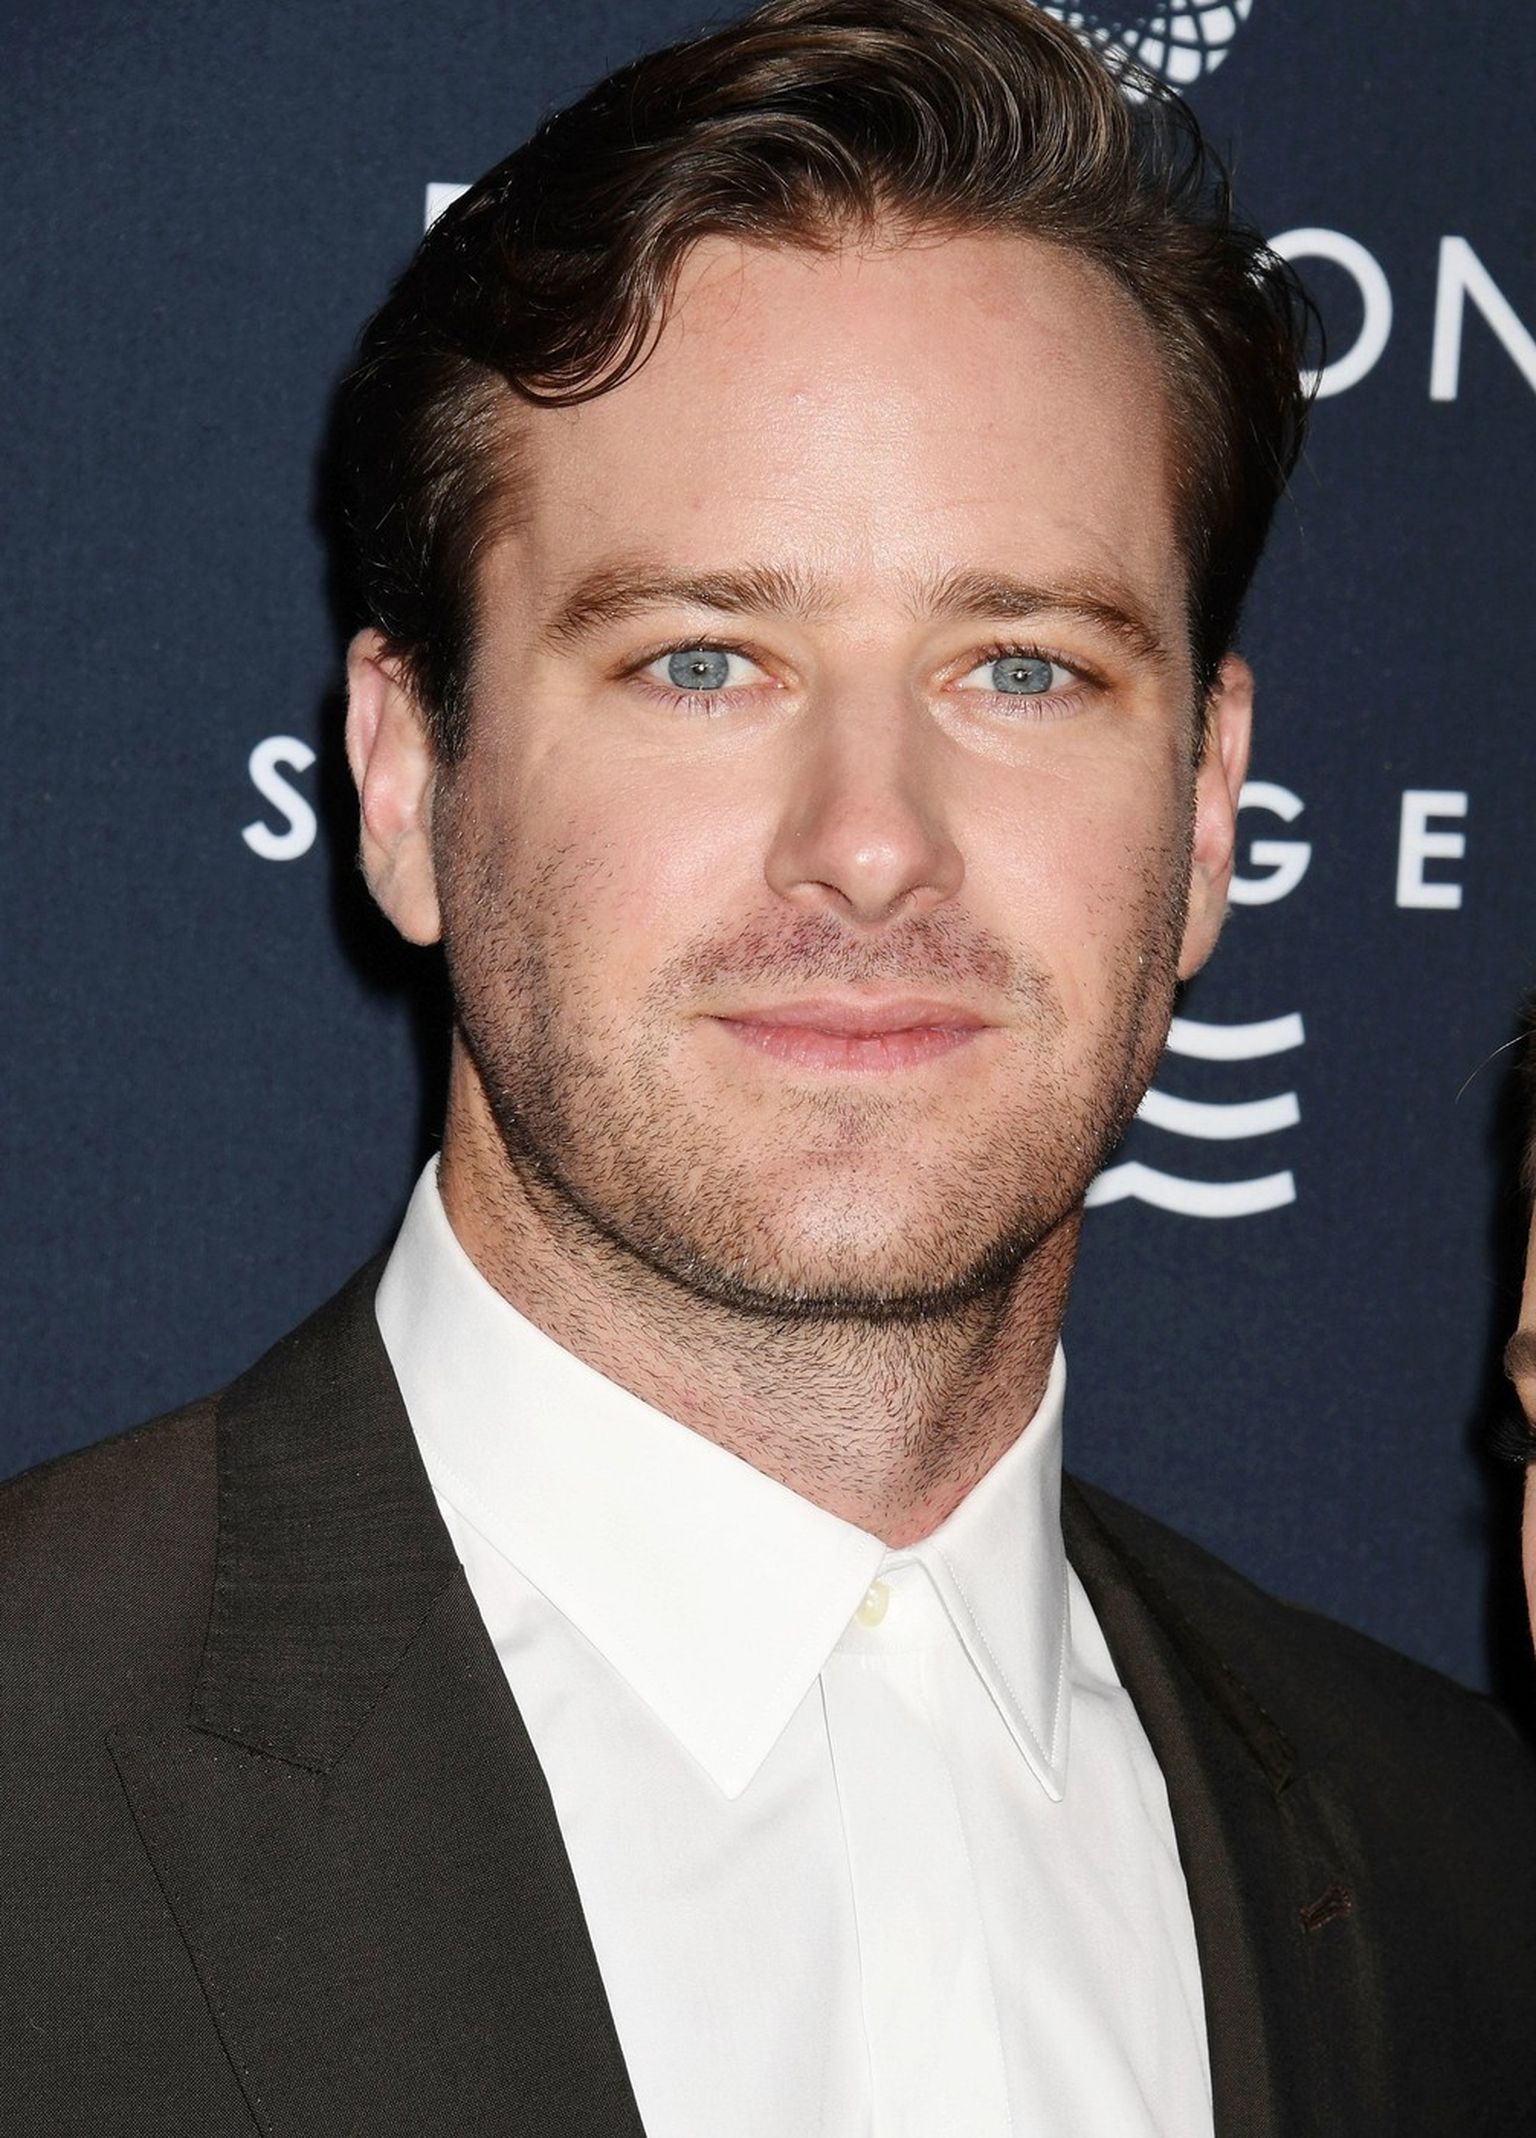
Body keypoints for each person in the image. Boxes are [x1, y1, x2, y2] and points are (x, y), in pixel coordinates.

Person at [5, 3, 1534, 2131]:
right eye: (703, 660)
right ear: (405, 775)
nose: (872, 840)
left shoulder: (1471, 1876)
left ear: (1206, 811)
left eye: (1023, 667)